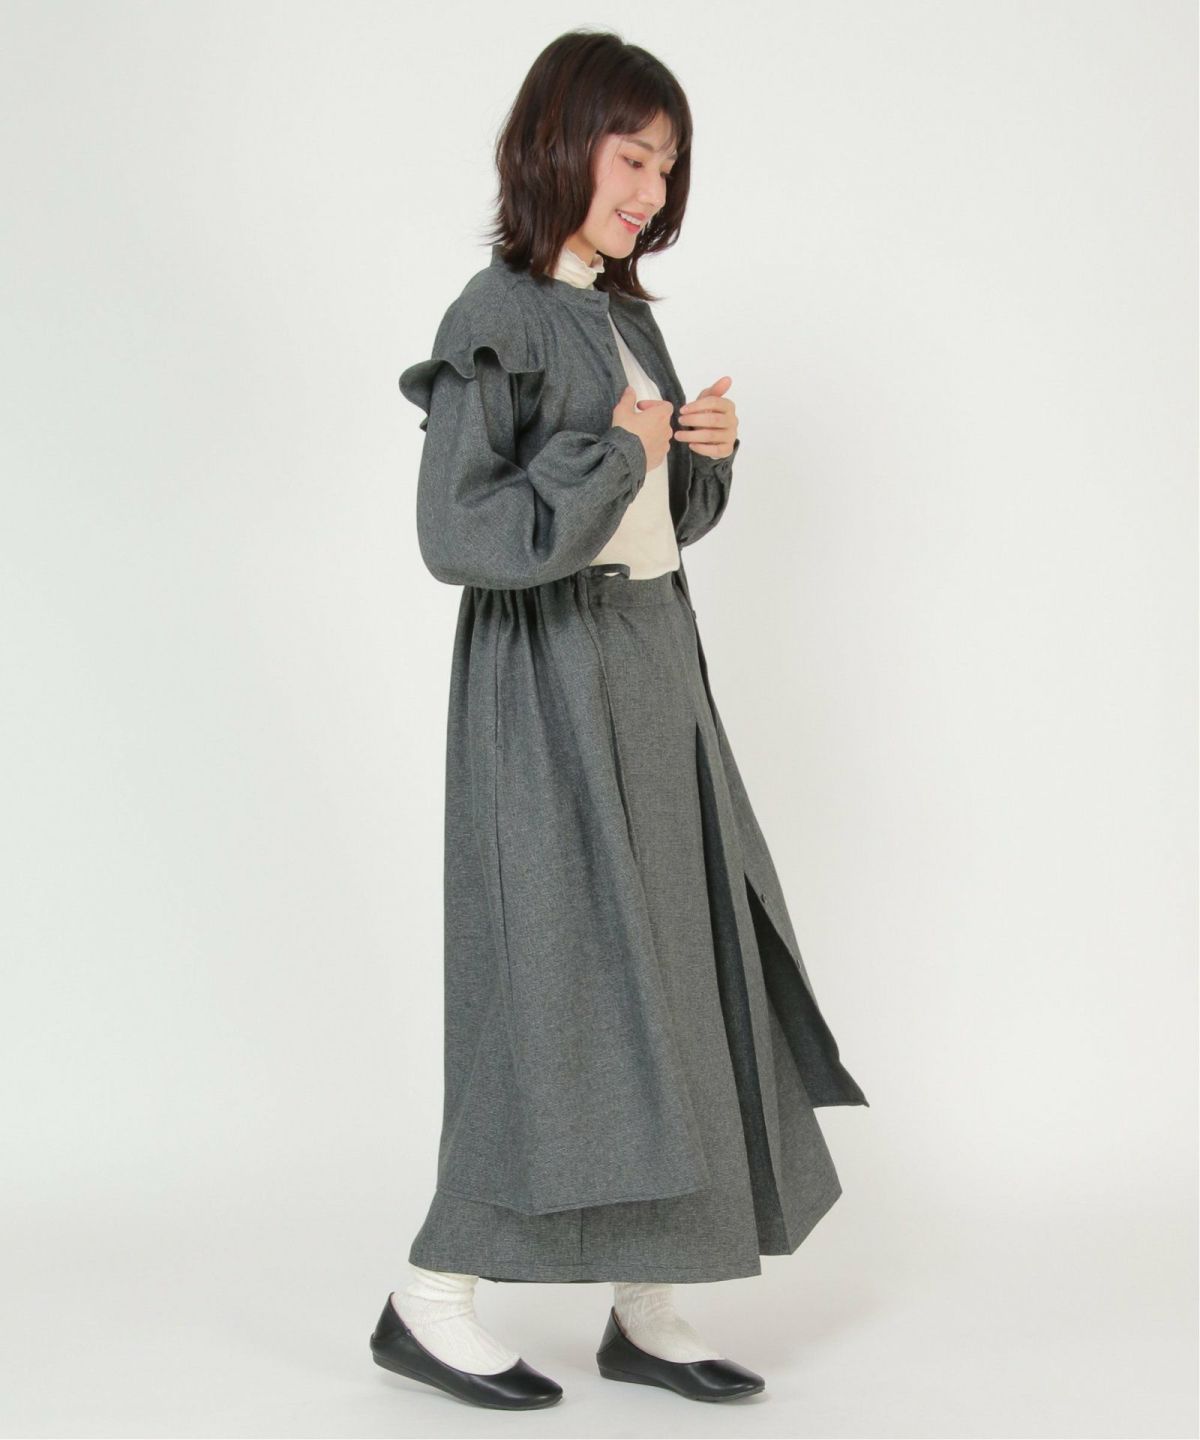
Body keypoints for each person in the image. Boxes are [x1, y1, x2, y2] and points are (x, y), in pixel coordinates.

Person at [369, 29, 869, 1411]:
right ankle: (429, 1299)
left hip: (653, 665)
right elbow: (460, 534)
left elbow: (655, 522)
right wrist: (614, 454)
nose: (651, 189)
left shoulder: (628, 318)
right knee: (553, 986)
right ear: (559, 143)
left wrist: (699, 458)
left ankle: (646, 1307)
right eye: (632, 156)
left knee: (680, 972)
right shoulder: (495, 312)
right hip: (544, 681)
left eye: (668, 166)